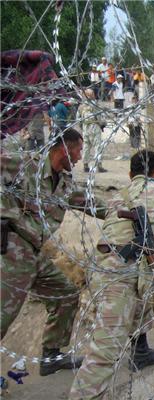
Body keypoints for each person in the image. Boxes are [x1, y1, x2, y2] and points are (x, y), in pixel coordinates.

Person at [70, 150, 154, 400]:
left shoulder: (117, 197)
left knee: (140, 294)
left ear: (130, 175)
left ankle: (140, 351)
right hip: (120, 274)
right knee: (106, 350)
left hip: (101, 267)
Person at [1, 129, 105, 376]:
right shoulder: (27, 164)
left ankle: (51, 355)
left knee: (66, 295)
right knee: (3, 316)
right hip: (12, 252)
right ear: (64, 148)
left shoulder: (66, 184)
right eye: (78, 150)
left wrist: (122, 211)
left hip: (36, 254)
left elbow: (91, 204)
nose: (80, 157)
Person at [77, 89, 106, 172]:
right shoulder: (95, 105)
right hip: (94, 127)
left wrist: (82, 127)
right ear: (90, 95)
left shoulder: (81, 106)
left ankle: (85, 165)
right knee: (98, 146)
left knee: (86, 147)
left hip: (86, 128)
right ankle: (99, 165)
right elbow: (99, 117)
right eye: (93, 94)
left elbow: (78, 119)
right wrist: (103, 125)